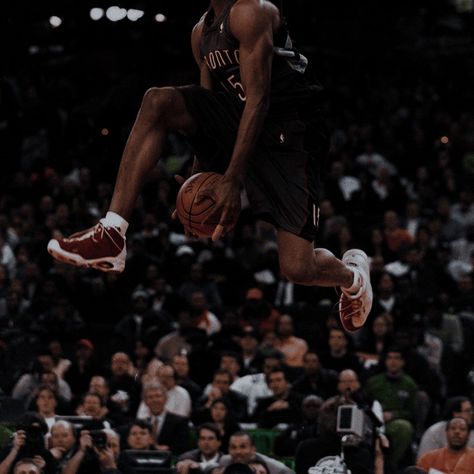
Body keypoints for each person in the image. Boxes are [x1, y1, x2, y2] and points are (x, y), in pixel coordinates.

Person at [47, 0, 372, 334]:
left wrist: (231, 181)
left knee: (297, 268)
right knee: (158, 101)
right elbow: (209, 113)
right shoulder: (201, 32)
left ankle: (353, 278)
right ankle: (112, 233)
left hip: (290, 131)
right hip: (244, 119)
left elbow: (260, 100)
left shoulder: (251, 11)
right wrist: (199, 176)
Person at [212, 431, 292, 474]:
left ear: (253, 449)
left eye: (243, 447)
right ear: (228, 449)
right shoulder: (224, 461)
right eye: (233, 447)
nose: (238, 451)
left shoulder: (277, 469)